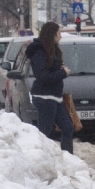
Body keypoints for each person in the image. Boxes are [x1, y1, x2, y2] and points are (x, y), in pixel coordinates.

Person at [24, 21, 73, 153]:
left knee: (68, 127)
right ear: (52, 34)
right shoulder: (39, 52)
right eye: (59, 33)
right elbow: (42, 76)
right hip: (44, 97)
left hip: (54, 96)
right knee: (44, 132)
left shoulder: (51, 49)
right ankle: (39, 156)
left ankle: (68, 159)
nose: (60, 36)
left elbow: (50, 69)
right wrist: (63, 73)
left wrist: (60, 69)